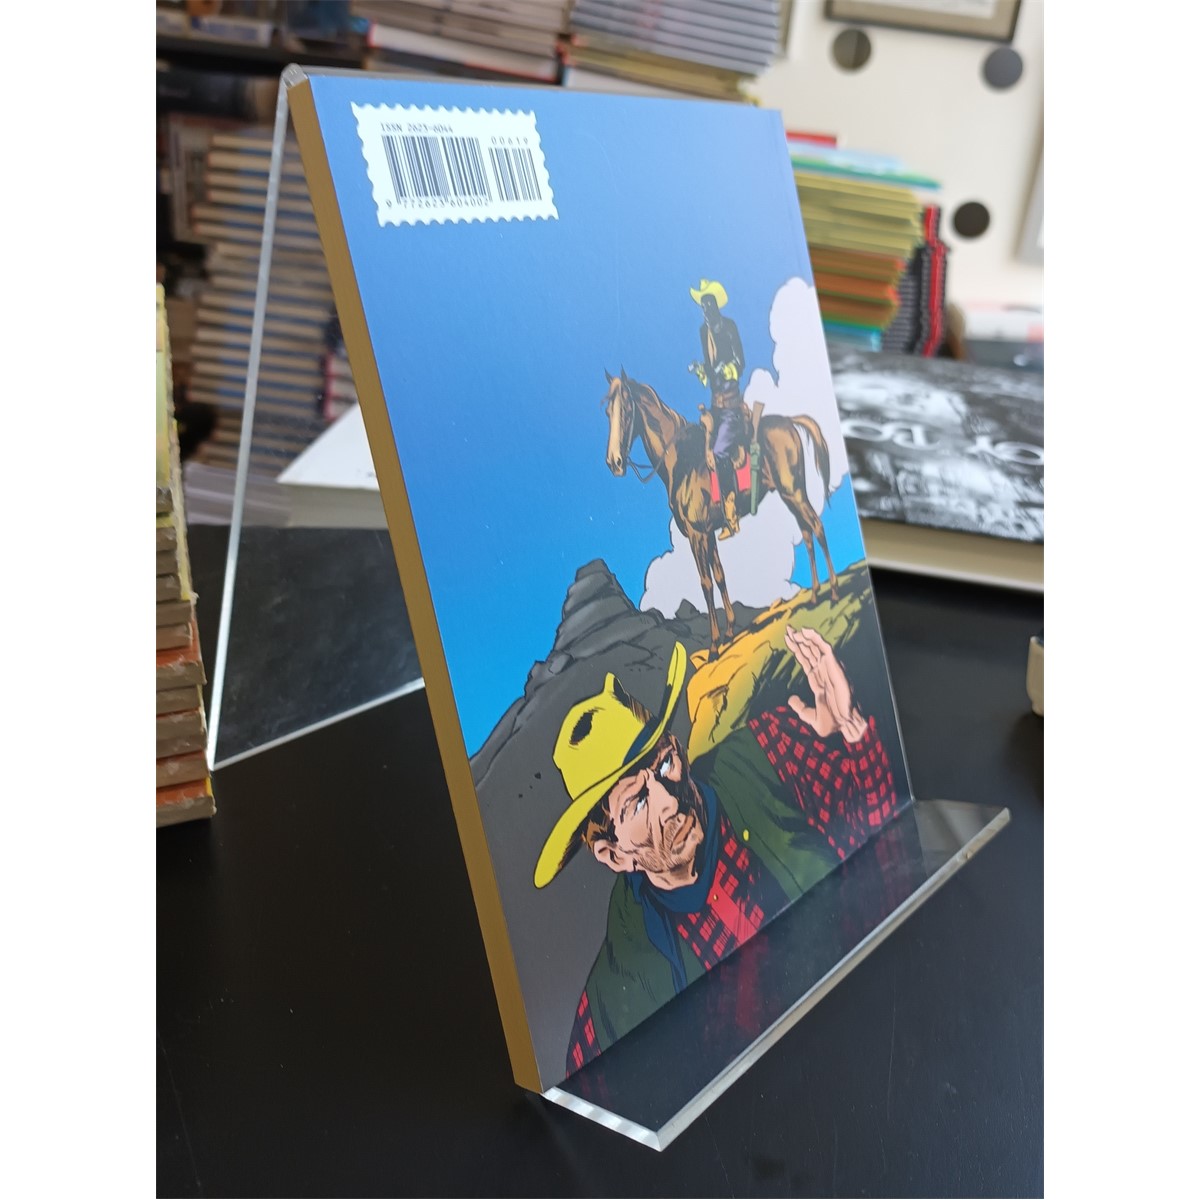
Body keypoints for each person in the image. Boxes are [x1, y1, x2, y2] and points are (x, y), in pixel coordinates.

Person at [534, 629, 899, 1077]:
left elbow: (890, 859)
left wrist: (848, 730)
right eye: (637, 803)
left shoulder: (769, 753)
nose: (669, 802)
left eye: (664, 763)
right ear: (614, 854)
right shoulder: (613, 1003)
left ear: (677, 748)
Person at [688, 279, 747, 539]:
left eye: (708, 304)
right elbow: (710, 370)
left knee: (720, 452)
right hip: (715, 403)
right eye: (702, 306)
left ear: (716, 304)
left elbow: (740, 362)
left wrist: (728, 368)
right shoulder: (704, 332)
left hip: (731, 404)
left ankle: (732, 516)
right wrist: (701, 370)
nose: (705, 309)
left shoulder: (729, 326)